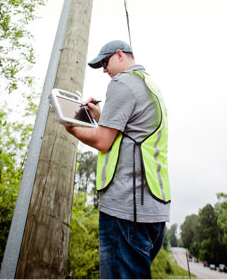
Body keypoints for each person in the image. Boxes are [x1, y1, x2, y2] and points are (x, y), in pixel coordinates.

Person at [65, 40, 171, 279]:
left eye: (105, 62)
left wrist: (70, 126)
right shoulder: (149, 85)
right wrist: (102, 117)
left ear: (120, 54)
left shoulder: (121, 82)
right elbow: (134, 133)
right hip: (153, 211)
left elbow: (103, 141)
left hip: (125, 210)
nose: (104, 69)